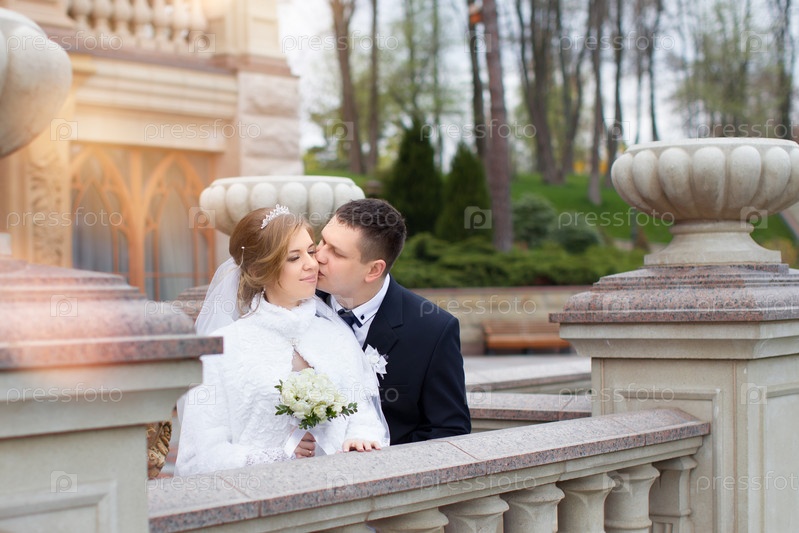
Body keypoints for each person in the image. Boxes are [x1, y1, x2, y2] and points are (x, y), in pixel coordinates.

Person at [175, 206, 389, 477]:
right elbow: (198, 457)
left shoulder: (336, 335)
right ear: (259, 269)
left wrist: (361, 437)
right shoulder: (221, 348)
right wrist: (279, 454)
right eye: (294, 257)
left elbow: (365, 415)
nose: (312, 264)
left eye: (311, 251)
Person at [315, 198, 471, 444]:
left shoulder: (433, 331)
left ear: (373, 270)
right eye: (323, 241)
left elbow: (449, 430)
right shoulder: (297, 306)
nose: (319, 255)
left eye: (336, 252)